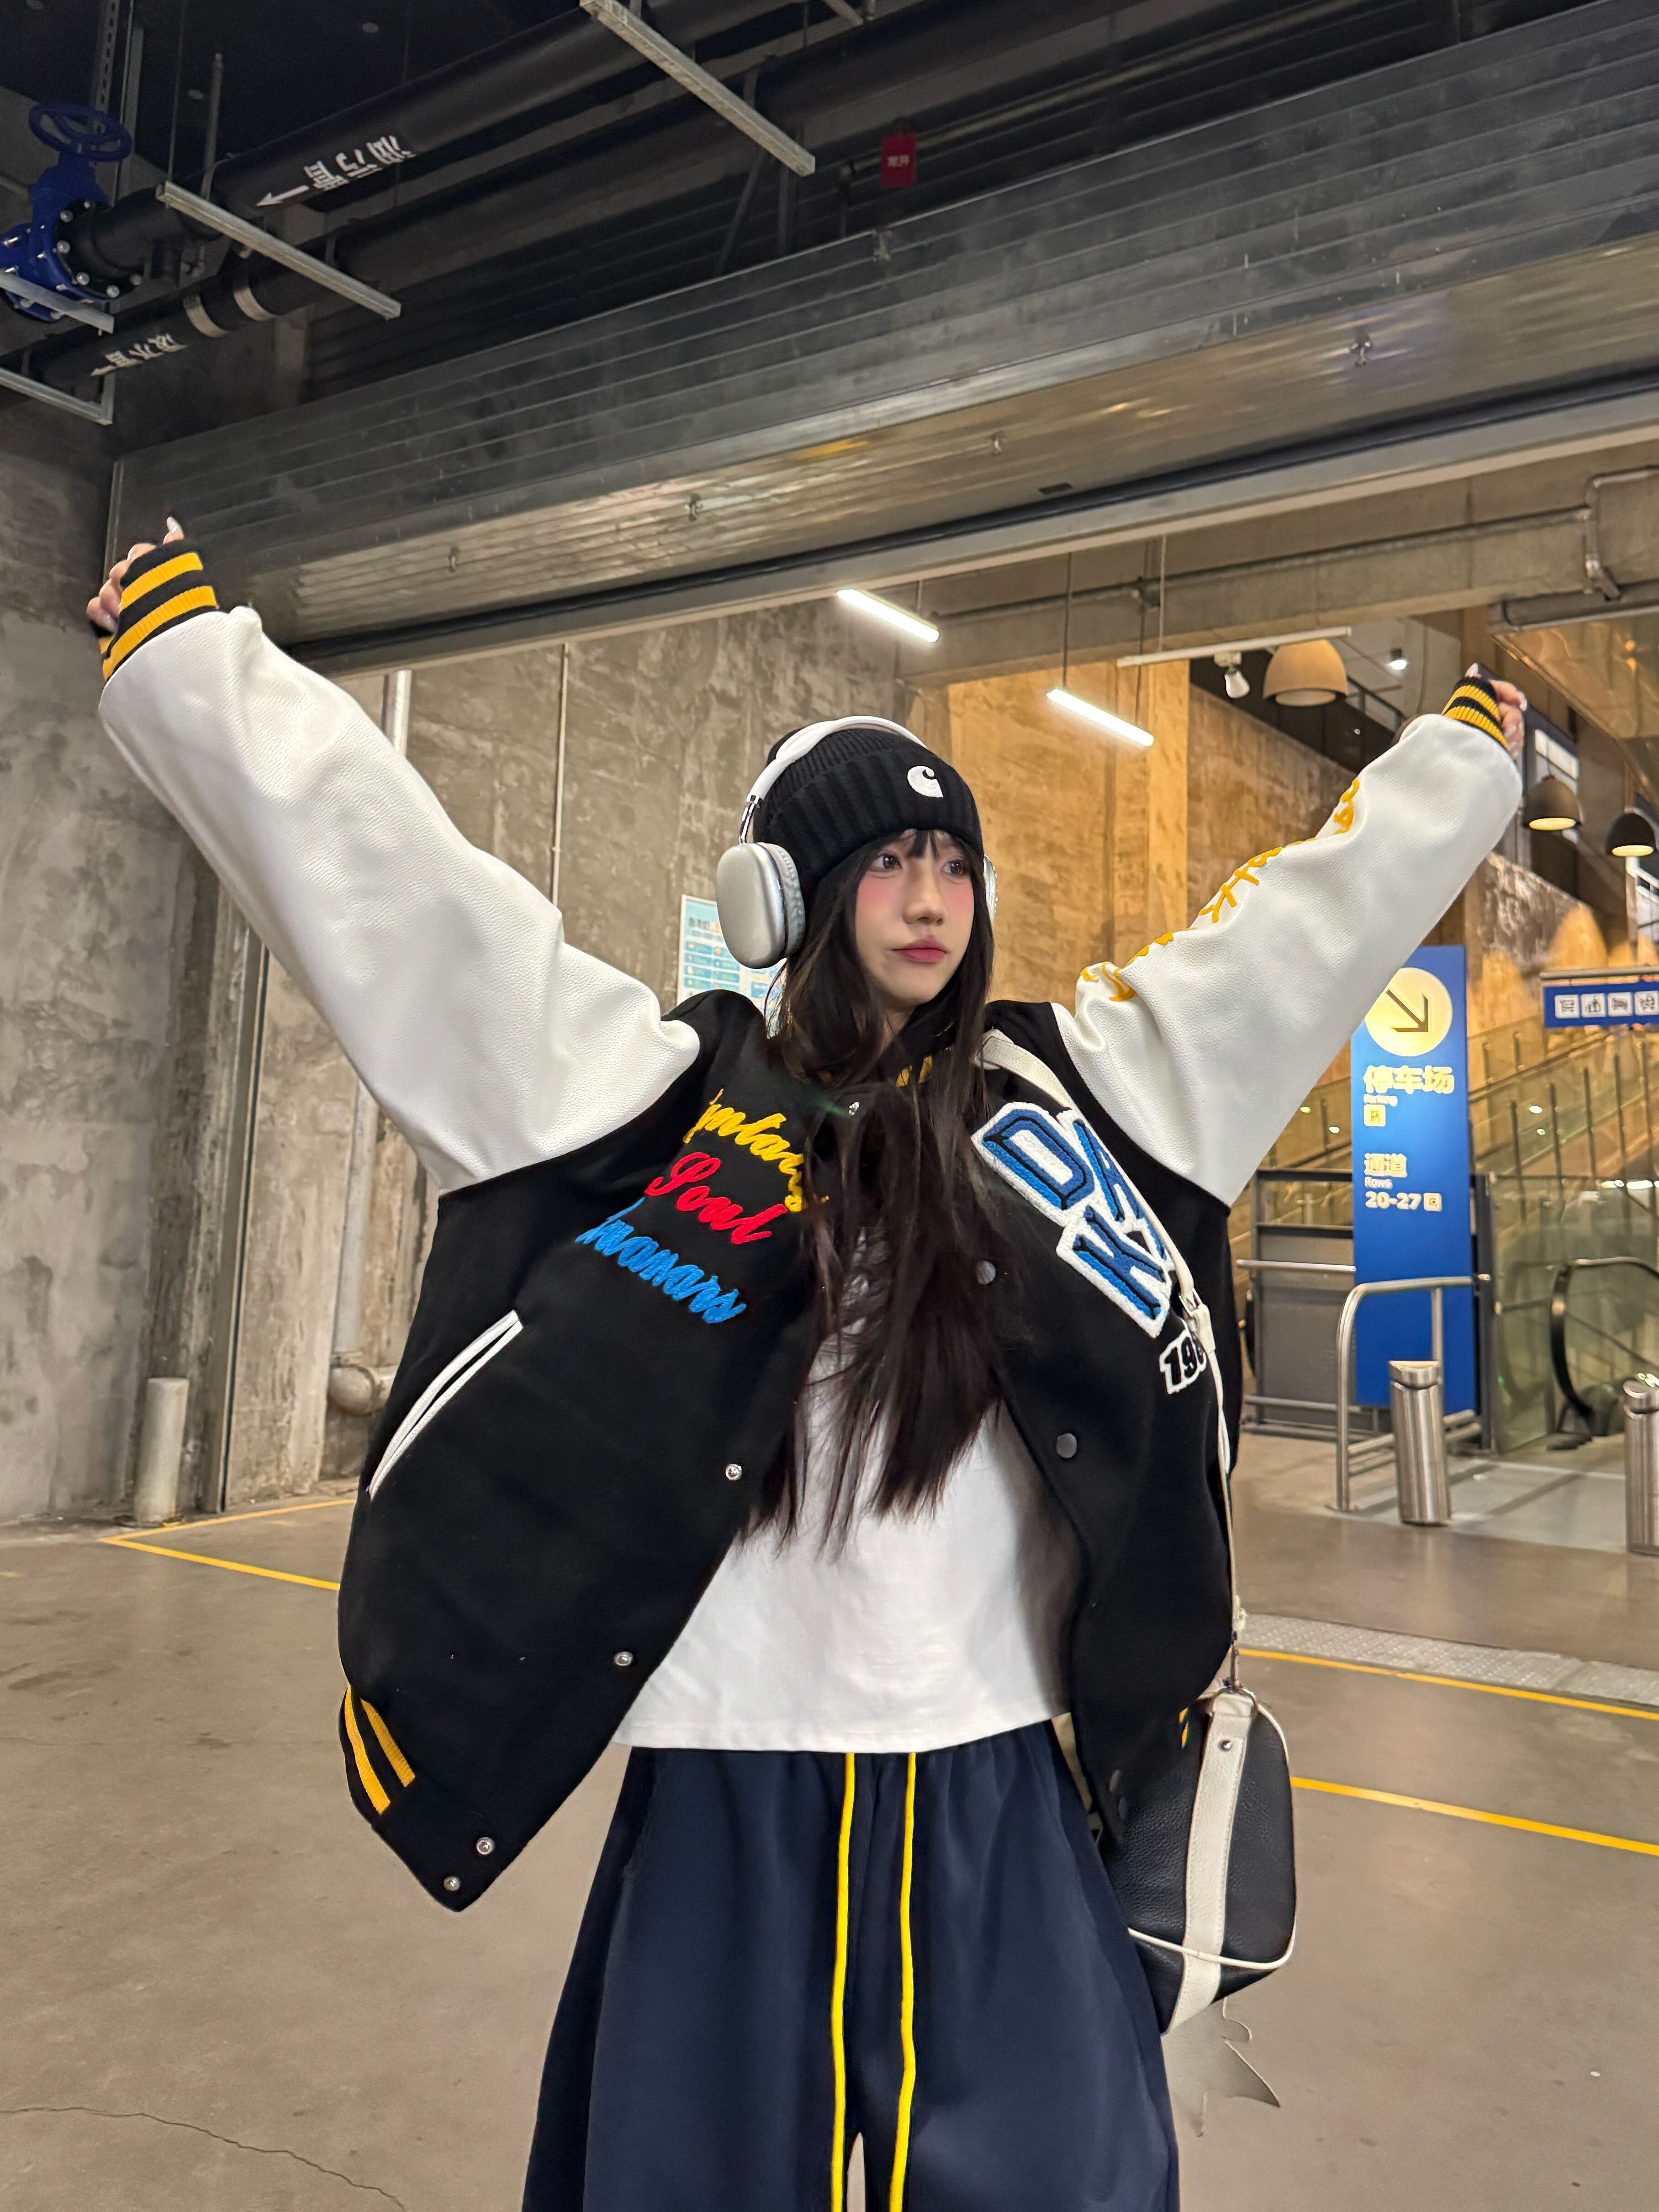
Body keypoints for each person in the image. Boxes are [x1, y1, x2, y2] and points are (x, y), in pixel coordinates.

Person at [90, 525, 1524, 2212]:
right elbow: (404, 900)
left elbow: (1301, 932)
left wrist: (1465, 760)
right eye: (888, 858)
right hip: (730, 1779)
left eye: (956, 860)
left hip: (999, 1778)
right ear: (782, 897)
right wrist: (191, 664)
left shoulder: (1086, 1101)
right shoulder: (648, 1106)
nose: (933, 897)